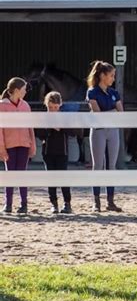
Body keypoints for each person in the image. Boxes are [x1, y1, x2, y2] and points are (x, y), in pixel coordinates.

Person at [36, 91, 83, 214]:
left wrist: (62, 127)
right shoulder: (43, 117)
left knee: (63, 178)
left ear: (60, 106)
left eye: (55, 108)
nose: (53, 110)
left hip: (63, 152)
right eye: (50, 107)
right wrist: (49, 128)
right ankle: (54, 204)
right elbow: (40, 135)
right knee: (51, 178)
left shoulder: (64, 117)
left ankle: (67, 203)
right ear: (46, 106)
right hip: (48, 152)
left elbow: (73, 133)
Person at [86, 61, 123, 213]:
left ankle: (110, 200)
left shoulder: (114, 93)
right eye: (111, 75)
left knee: (111, 166)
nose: (113, 78)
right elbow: (97, 114)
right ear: (102, 76)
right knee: (98, 165)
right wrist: (112, 113)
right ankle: (96, 201)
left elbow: (121, 113)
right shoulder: (92, 92)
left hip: (113, 131)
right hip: (99, 130)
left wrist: (112, 114)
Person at [0, 77, 36, 214]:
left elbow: (30, 127)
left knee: (22, 174)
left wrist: (32, 145)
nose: (26, 91)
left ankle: (24, 203)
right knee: (10, 175)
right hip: (9, 145)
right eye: (24, 89)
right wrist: (1, 148)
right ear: (16, 90)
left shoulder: (26, 106)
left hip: (24, 145)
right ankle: (8, 204)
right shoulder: (2, 106)